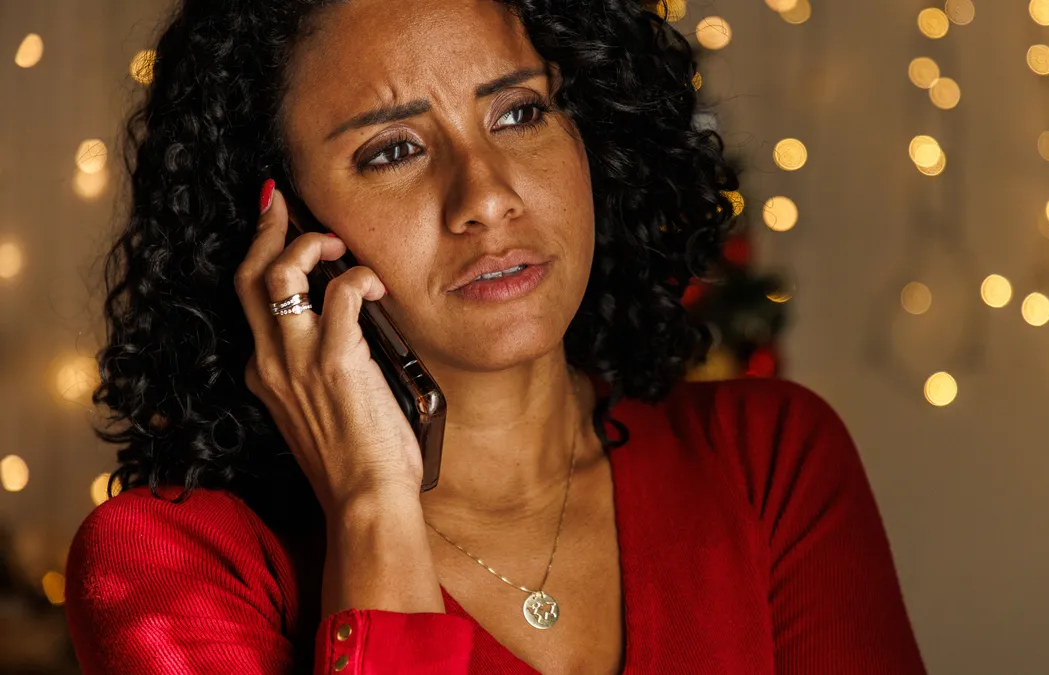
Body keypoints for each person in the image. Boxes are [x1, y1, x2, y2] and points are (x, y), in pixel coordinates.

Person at [64, 0, 927, 673]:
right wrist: (372, 507)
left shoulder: (768, 463)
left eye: (518, 114)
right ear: (277, 230)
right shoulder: (172, 567)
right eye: (392, 151)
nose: (485, 194)